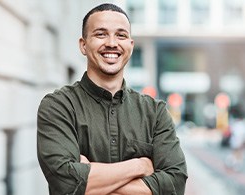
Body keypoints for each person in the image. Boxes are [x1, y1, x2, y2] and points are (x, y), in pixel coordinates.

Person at [37, 3, 187, 195]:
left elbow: (175, 185)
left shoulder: (155, 112)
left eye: (121, 35)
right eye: (101, 34)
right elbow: (66, 184)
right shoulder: (58, 106)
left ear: (130, 46)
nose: (112, 43)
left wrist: (89, 178)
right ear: (83, 45)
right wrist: (140, 166)